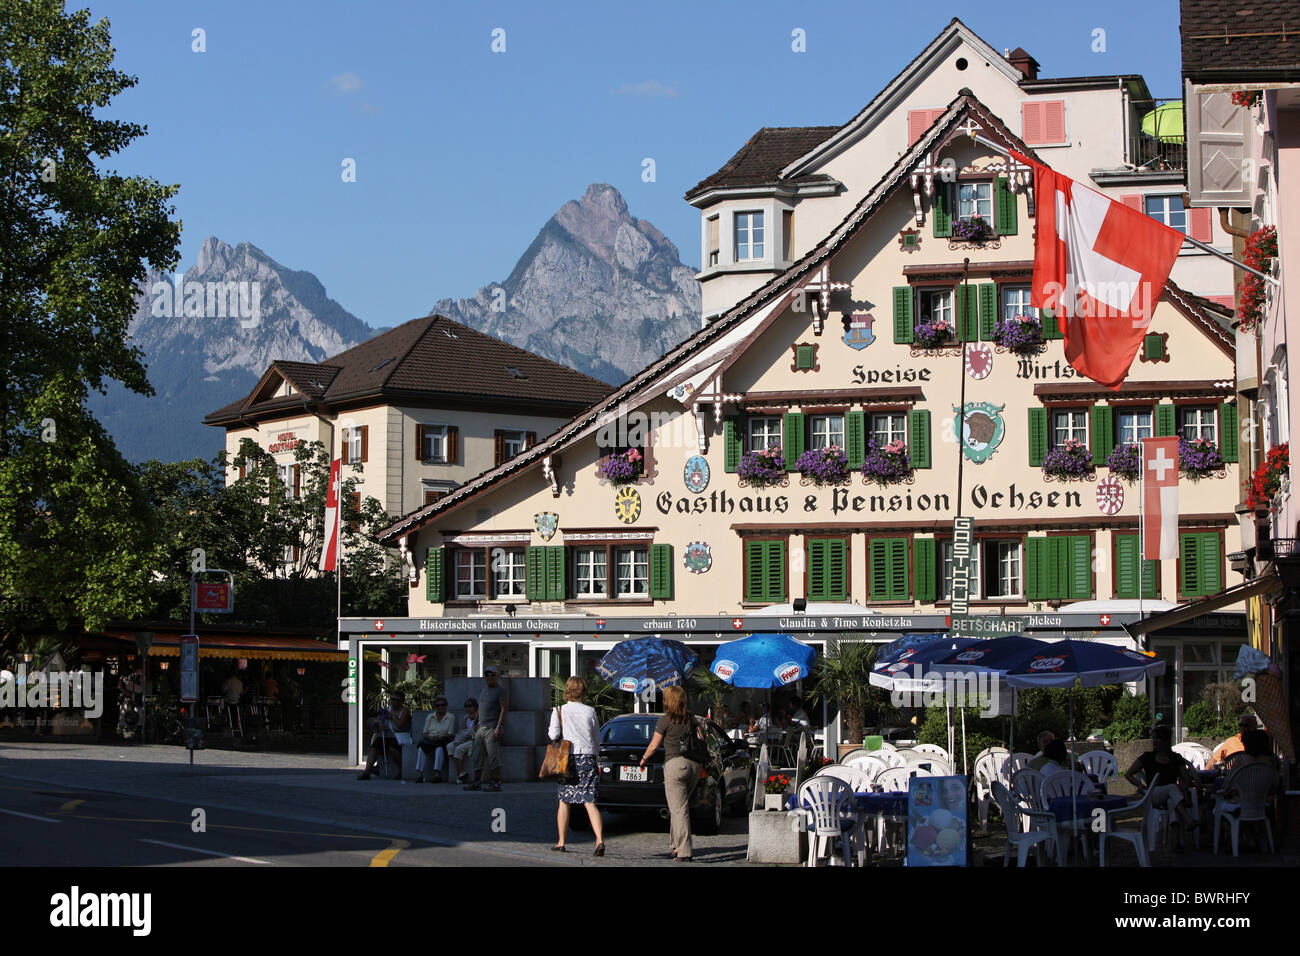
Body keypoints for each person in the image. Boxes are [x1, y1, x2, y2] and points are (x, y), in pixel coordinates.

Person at [639, 685, 705, 862]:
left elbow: (654, 745)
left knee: (679, 810)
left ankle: (684, 852)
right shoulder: (692, 719)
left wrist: (643, 759)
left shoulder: (665, 720)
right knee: (679, 807)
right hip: (694, 766)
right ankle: (675, 846)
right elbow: (701, 740)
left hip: (675, 765)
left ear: (667, 701)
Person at [549, 676, 605, 856]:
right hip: (588, 756)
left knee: (564, 800)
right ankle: (599, 840)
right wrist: (596, 758)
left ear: (567, 690)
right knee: (590, 801)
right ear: (583, 691)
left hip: (568, 758)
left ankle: (561, 841)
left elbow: (553, 734)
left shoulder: (559, 710)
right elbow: (596, 737)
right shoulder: (590, 711)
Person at [1123, 726, 1197, 837]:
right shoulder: (1147, 757)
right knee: (1172, 788)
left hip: (1173, 794)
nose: (1155, 741)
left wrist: (1183, 787)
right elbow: (1128, 774)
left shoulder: (1175, 758)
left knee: (1172, 802)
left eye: (1158, 738)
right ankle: (1188, 818)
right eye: (1154, 738)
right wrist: (1140, 786)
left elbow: (1186, 778)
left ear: (1166, 741)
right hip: (1154, 794)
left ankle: (1175, 843)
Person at [464, 667, 508, 792]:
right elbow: (480, 708)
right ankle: (477, 782)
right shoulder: (484, 690)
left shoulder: (501, 691)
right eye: (487, 675)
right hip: (481, 727)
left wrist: (499, 726)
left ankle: (496, 783)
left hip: (492, 727)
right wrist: (475, 721)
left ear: (497, 676)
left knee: (493, 756)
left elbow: (504, 709)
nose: (489, 677)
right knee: (477, 756)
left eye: (492, 674)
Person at [357, 690, 411, 780]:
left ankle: (402, 770)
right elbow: (377, 721)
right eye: (392, 699)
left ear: (401, 701)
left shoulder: (404, 711)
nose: (393, 702)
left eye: (396, 700)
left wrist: (392, 716)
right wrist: (379, 723)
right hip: (386, 735)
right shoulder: (387, 709)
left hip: (398, 736)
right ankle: (367, 772)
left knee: (393, 749)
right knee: (374, 747)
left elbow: (400, 725)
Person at [415, 696, 457, 783]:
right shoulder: (430, 717)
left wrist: (439, 737)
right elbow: (425, 732)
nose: (440, 707)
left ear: (446, 706)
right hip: (430, 739)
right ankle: (420, 774)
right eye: (438, 705)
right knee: (421, 748)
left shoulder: (450, 717)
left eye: (442, 705)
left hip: (443, 739)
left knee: (439, 749)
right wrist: (431, 737)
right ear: (435, 707)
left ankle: (437, 774)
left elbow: (450, 734)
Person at [449, 700, 479, 782]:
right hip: (464, 739)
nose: (468, 708)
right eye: (466, 706)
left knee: (458, 749)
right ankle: (460, 771)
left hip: (474, 739)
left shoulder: (479, 716)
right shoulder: (466, 717)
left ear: (475, 707)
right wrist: (466, 719)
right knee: (449, 746)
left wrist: (476, 718)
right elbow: (461, 730)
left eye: (470, 706)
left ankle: (458, 774)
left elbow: (475, 731)